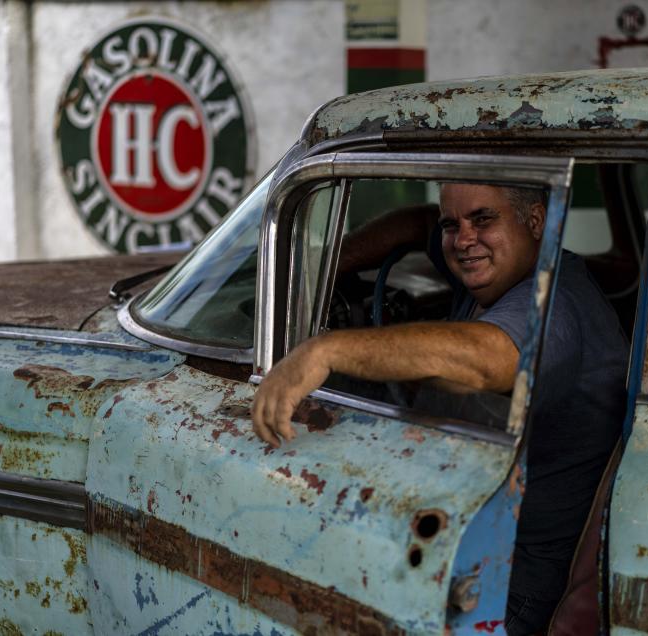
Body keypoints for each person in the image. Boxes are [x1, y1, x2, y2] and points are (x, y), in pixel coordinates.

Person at [252, 183, 627, 634]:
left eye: (484, 220)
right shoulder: (498, 269)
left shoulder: (554, 305)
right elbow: (414, 223)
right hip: (482, 533)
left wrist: (324, 352)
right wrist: (327, 270)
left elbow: (484, 362)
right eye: (453, 224)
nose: (464, 239)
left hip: (511, 581)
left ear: (536, 221)